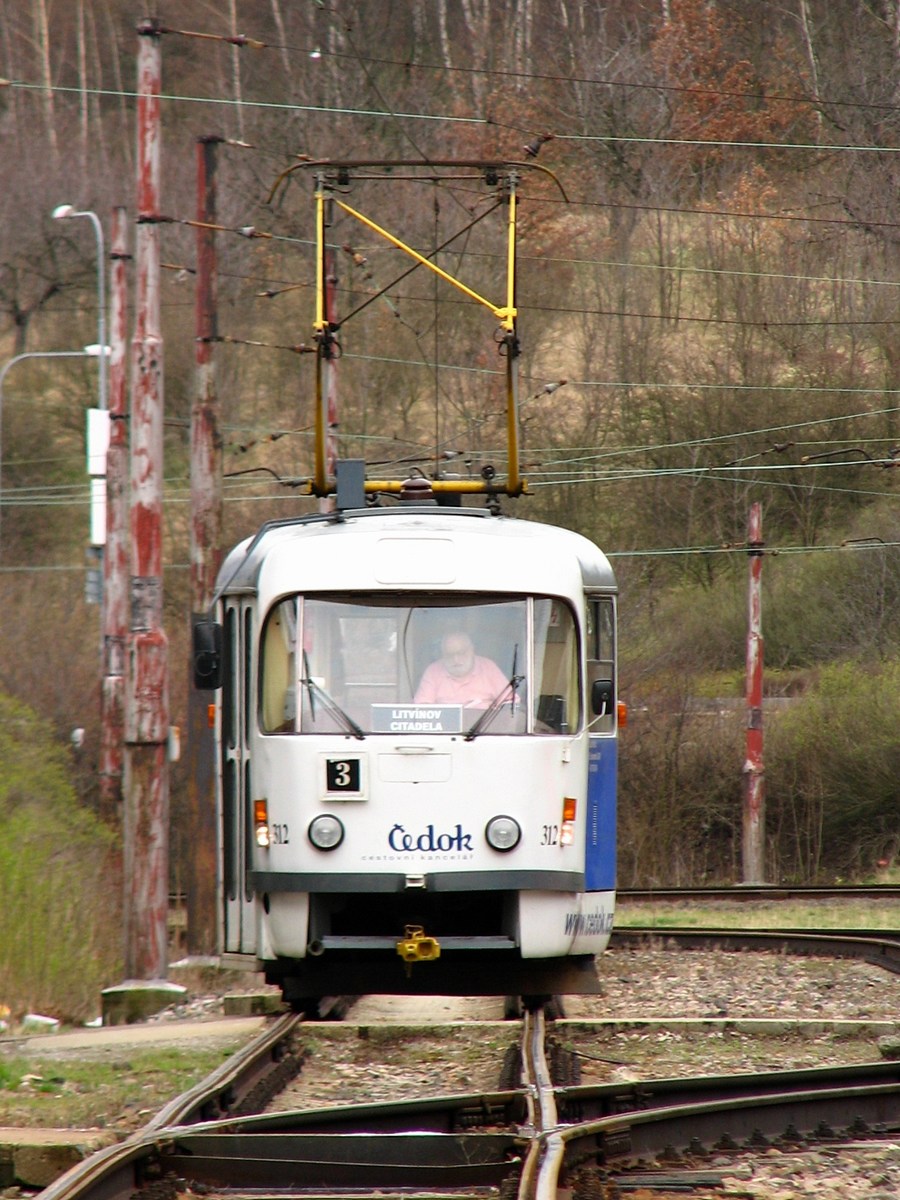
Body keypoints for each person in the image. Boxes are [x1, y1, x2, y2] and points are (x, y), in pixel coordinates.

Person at [415, 631, 511, 708]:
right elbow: (422, 709)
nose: (456, 660)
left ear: (471, 650)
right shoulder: (433, 671)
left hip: (483, 729)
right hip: (447, 730)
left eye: (461, 653)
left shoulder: (488, 667)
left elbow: (510, 703)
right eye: (449, 655)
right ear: (442, 654)